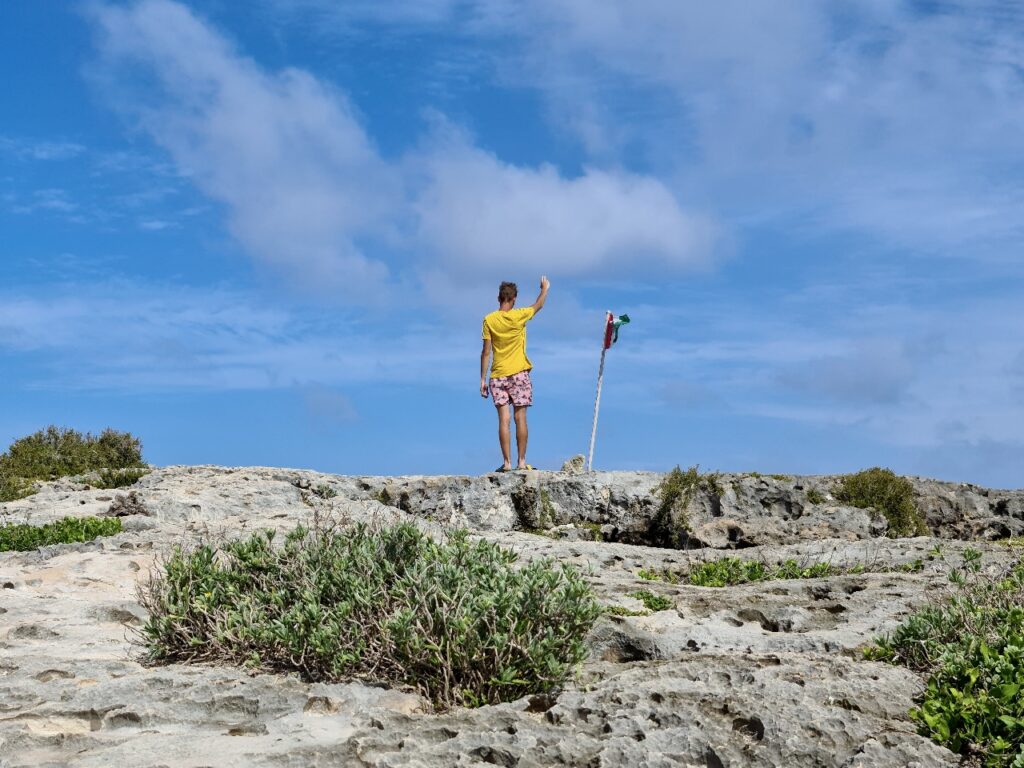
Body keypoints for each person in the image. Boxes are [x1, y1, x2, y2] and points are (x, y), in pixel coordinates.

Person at [480, 276, 549, 471]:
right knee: (520, 418)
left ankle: (507, 463)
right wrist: (544, 289)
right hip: (519, 373)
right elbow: (539, 305)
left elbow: (486, 352)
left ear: (498, 298)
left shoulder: (489, 320)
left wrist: (482, 379)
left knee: (504, 419)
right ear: (514, 299)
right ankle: (521, 462)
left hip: (497, 375)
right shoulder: (519, 315)